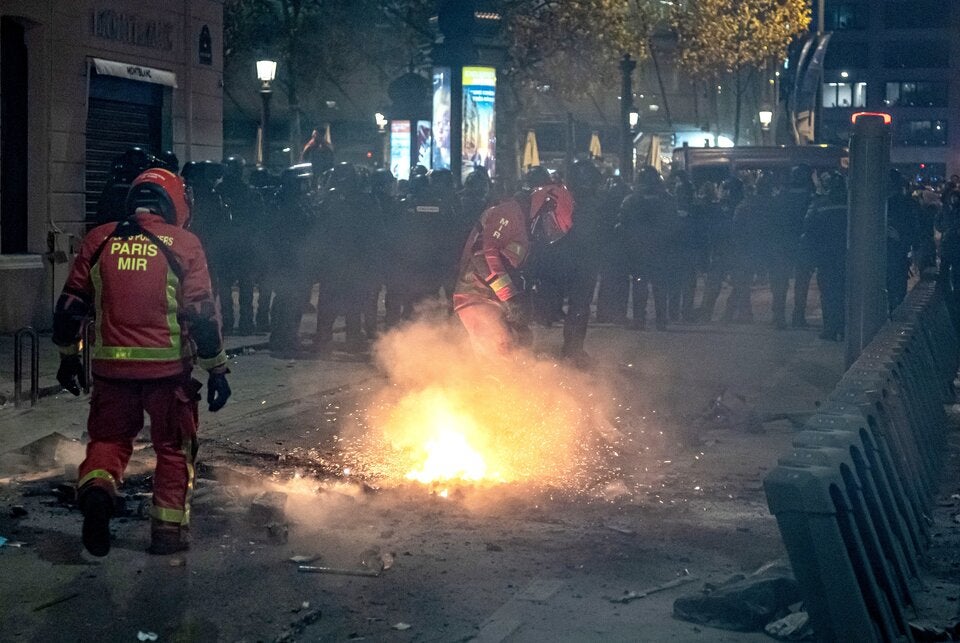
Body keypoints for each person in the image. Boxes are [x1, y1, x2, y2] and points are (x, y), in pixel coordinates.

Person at [53, 168, 230, 557]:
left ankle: (98, 490)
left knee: (109, 441)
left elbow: (68, 309)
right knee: (173, 448)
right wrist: (216, 367)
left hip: (111, 370)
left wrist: (68, 358)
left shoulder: (100, 239)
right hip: (167, 373)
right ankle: (167, 532)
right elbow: (201, 313)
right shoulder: (184, 243)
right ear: (176, 202)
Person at [453, 183, 575, 358]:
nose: (549, 231)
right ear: (545, 205)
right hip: (475, 294)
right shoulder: (509, 213)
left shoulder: (527, 227)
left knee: (517, 346)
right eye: (551, 223)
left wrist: (522, 307)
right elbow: (483, 255)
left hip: (494, 299)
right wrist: (511, 297)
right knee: (499, 347)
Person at [803, 171, 848, 341]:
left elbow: (809, 229)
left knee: (828, 293)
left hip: (825, 257)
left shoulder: (819, 204)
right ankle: (844, 328)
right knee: (845, 293)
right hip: (846, 256)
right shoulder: (852, 204)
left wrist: (811, 255)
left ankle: (830, 328)